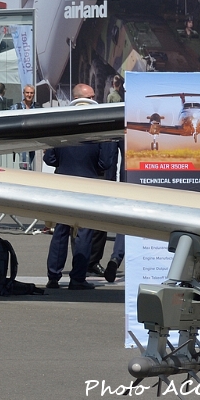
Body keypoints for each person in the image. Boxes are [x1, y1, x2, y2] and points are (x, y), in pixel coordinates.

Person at [41, 84, 117, 290]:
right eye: (92, 96)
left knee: (60, 230)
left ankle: (53, 276)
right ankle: (77, 278)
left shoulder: (62, 124)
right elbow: (106, 162)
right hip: (87, 183)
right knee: (84, 232)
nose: (95, 97)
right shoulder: (99, 126)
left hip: (63, 182)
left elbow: (49, 158)